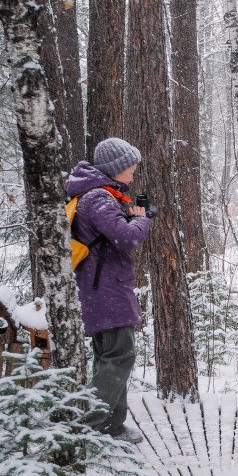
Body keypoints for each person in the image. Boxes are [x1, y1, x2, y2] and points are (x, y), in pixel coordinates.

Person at [66, 137, 152, 443]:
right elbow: (125, 238)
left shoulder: (95, 196)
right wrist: (141, 222)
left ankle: (113, 426)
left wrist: (129, 218)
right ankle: (88, 427)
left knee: (110, 357)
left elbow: (109, 234)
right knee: (119, 357)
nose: (132, 175)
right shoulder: (98, 198)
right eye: (129, 169)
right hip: (106, 291)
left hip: (99, 289)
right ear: (115, 169)